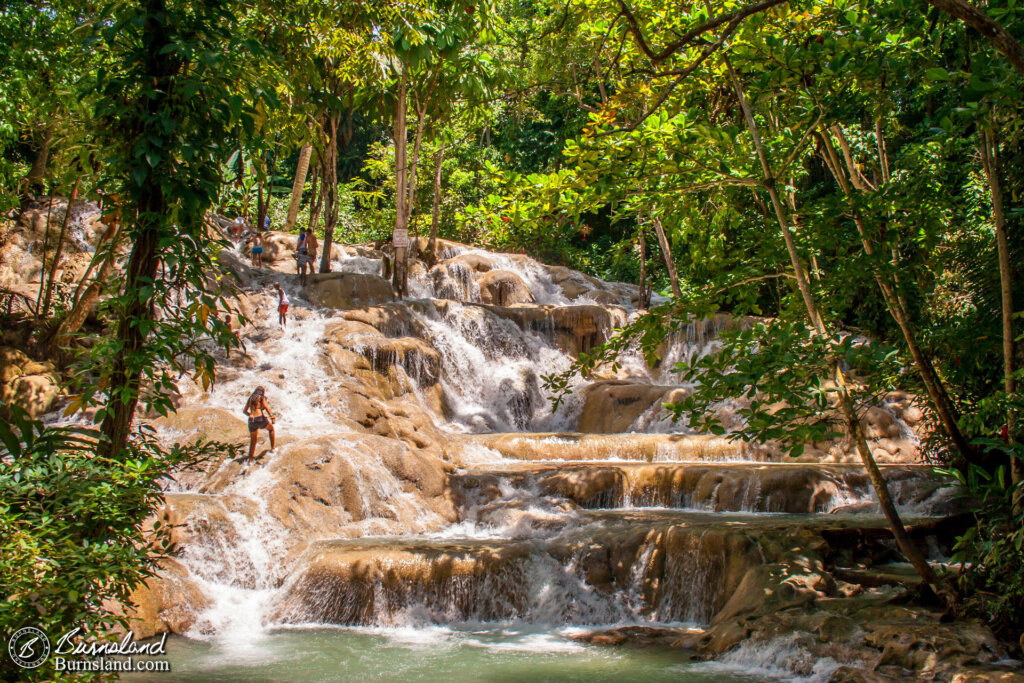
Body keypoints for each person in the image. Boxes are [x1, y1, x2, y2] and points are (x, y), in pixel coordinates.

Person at [243, 385, 275, 461]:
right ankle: (273, 448)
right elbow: (266, 407)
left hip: (251, 420)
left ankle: (250, 460)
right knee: (271, 429)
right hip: (260, 418)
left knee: (253, 441)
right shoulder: (261, 398)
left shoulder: (250, 398)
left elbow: (244, 411)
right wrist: (271, 417)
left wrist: (251, 415)